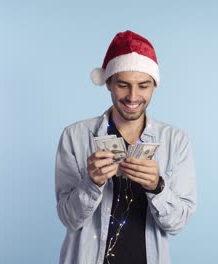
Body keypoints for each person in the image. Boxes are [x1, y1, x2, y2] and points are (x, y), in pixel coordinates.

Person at [55, 30, 197, 264]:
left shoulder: (176, 141)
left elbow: (177, 224)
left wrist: (157, 187)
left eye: (143, 85)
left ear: (154, 85)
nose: (133, 96)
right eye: (123, 85)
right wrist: (91, 182)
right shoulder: (75, 136)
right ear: (108, 83)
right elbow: (68, 218)